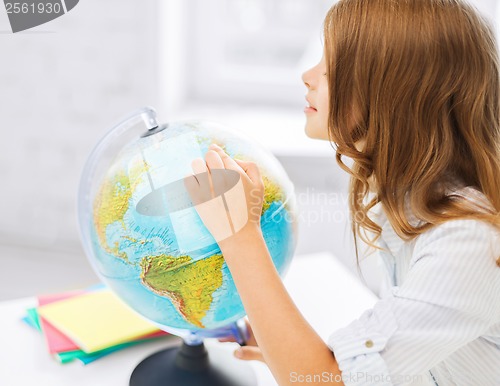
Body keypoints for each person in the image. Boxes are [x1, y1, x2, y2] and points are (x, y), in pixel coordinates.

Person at [188, 0, 500, 385]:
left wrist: (239, 235)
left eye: (331, 67)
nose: (308, 75)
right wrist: (289, 352)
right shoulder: (410, 203)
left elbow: (326, 381)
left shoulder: (468, 240)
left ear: (392, 95)